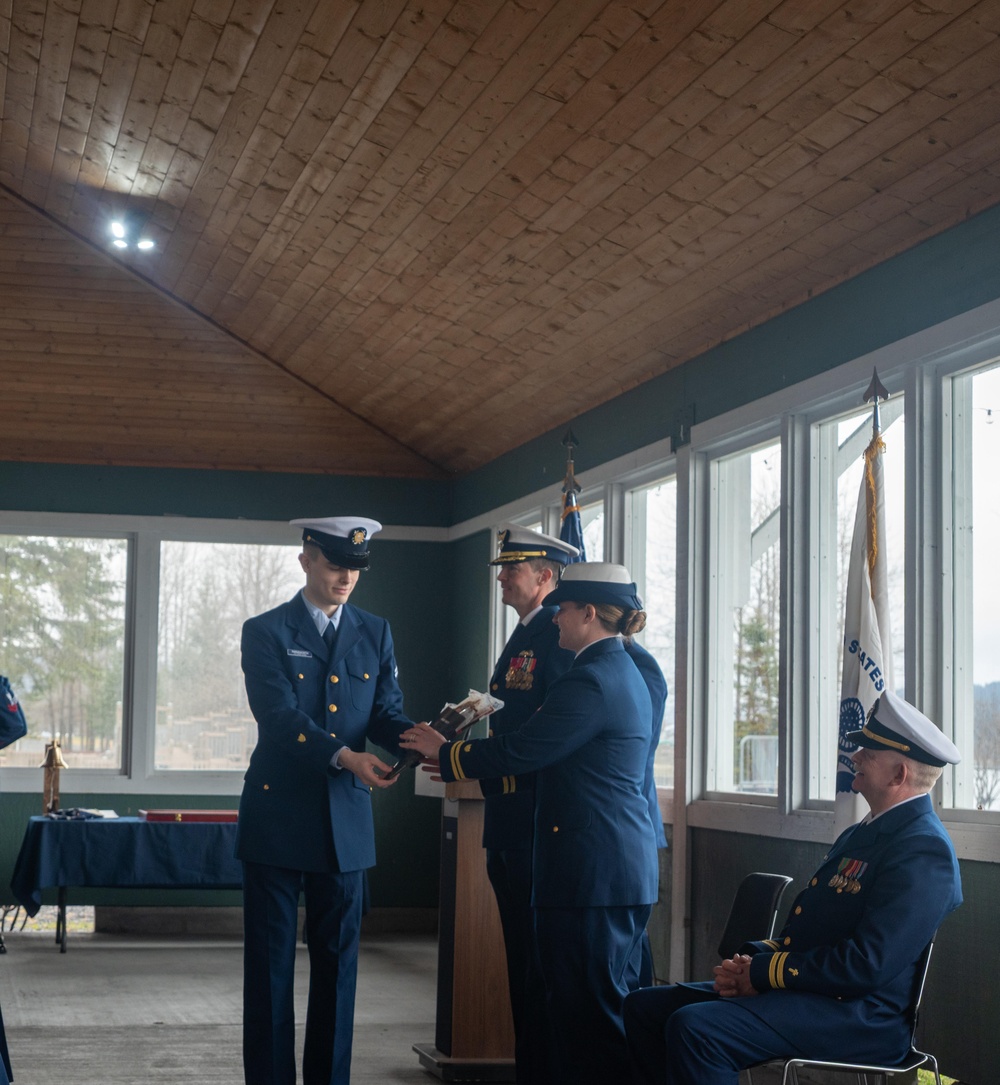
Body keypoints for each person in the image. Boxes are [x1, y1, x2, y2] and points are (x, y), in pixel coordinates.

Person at [403, 562, 659, 1085]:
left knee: (590, 1019)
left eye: (563, 608)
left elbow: (527, 748)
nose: (555, 618)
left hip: (592, 873)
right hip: (604, 868)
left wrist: (448, 751)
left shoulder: (592, 678)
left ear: (589, 613)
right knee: (587, 1011)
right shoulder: (618, 670)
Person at [624, 689, 963, 1085]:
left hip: (858, 1018)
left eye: (867, 753)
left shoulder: (923, 849)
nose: (854, 757)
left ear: (899, 775)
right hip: (810, 995)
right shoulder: (863, 832)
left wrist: (764, 974)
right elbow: (812, 931)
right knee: (642, 1007)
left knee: (697, 1029)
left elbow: (865, 965)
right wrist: (752, 964)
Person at [236, 516, 411, 1085]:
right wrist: (345, 757)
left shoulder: (375, 630)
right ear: (306, 558)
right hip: (278, 818)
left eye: (356, 569)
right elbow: (280, 718)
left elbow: (384, 713)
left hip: (345, 824)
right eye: (336, 565)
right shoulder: (264, 630)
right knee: (270, 970)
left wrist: (426, 738)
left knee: (338, 973)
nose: (347, 578)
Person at [481, 524, 580, 1082]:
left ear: (545, 577)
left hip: (538, 823)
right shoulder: (524, 634)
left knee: (538, 972)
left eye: (511, 568)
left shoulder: (556, 638)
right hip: (509, 821)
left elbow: (549, 735)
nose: (502, 576)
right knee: (520, 967)